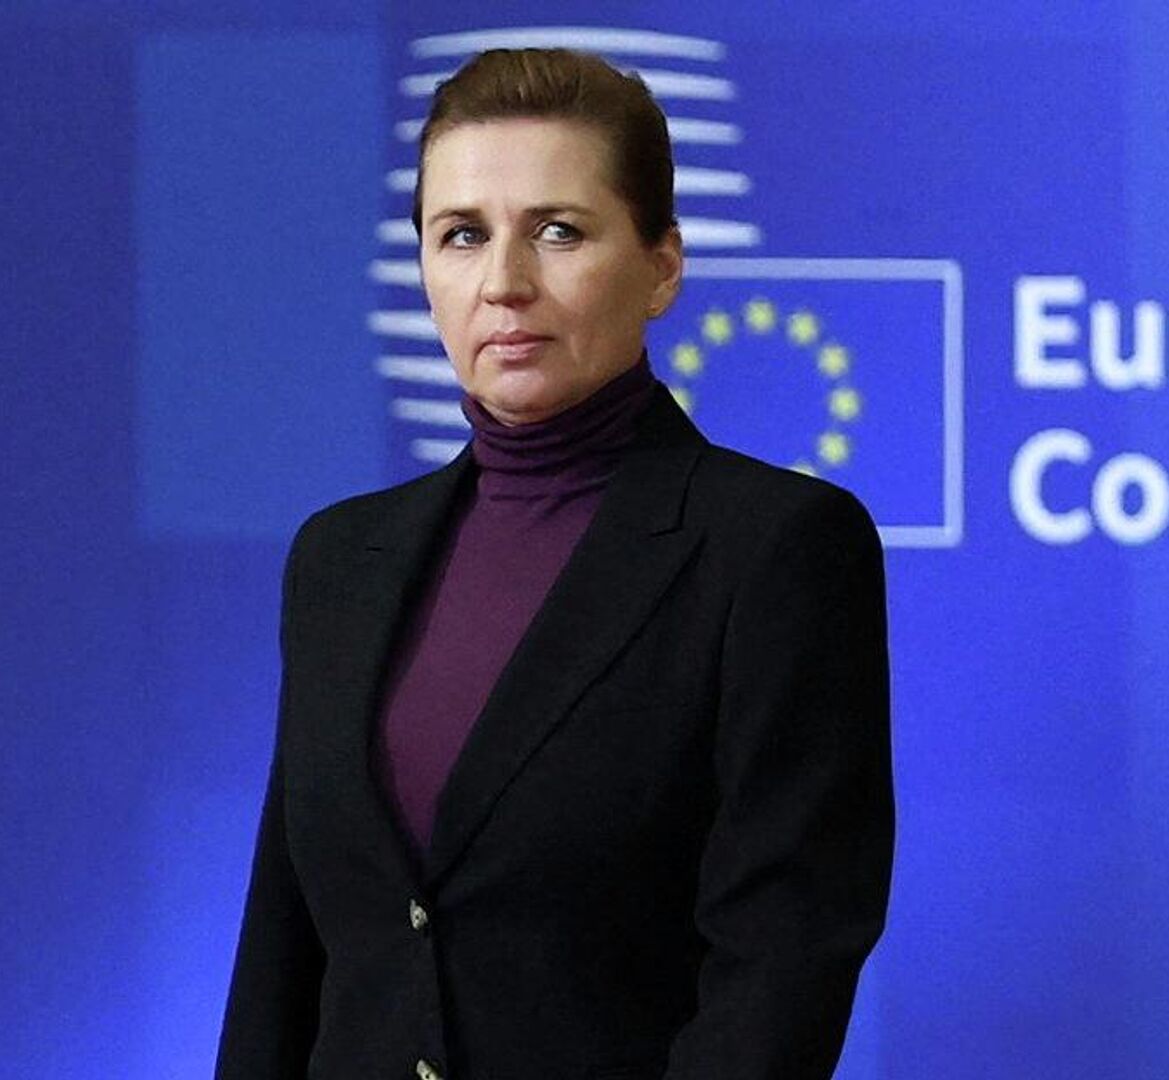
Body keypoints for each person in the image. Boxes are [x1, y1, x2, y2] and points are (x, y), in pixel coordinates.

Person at [217, 47, 893, 1080]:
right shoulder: (340, 558)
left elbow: (782, 962)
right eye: (462, 234)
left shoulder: (776, 548)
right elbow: (286, 950)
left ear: (663, 266)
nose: (504, 283)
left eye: (558, 231)